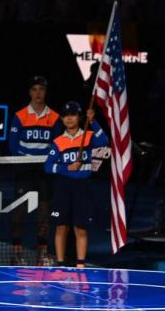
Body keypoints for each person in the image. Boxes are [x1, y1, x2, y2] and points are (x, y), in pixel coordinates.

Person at [44, 102, 109, 268]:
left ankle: (80, 263)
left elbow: (104, 140)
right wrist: (67, 167)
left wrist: (93, 120)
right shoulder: (58, 141)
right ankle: (60, 262)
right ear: (61, 119)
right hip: (63, 187)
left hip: (82, 186)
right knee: (61, 227)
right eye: (66, 115)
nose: (69, 118)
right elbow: (48, 166)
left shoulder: (88, 136)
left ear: (80, 117)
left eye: (73, 115)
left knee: (80, 227)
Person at [7, 75, 61, 265]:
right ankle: (16, 251)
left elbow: (57, 145)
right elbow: (13, 146)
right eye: (35, 89)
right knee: (19, 212)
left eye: (42, 89)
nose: (38, 93)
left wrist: (45, 160)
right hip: (24, 170)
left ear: (46, 92)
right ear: (30, 92)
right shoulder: (20, 116)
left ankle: (42, 253)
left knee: (44, 213)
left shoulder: (54, 118)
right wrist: (27, 160)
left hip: (44, 172)